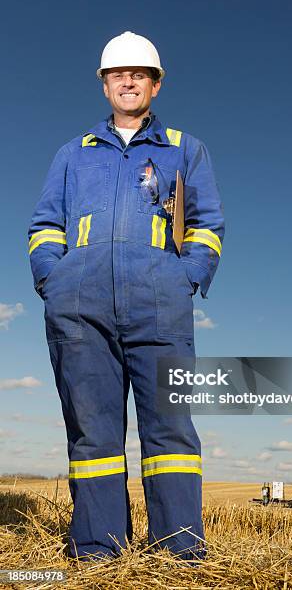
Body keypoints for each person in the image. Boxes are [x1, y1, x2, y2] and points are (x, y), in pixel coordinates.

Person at [28, 31, 225, 561]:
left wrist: (184, 278)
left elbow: (207, 224)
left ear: (156, 85)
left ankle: (178, 553)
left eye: (140, 73)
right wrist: (53, 279)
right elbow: (45, 225)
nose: (129, 80)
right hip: (78, 310)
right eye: (119, 73)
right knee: (93, 436)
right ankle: (98, 551)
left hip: (160, 308)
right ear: (105, 84)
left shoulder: (185, 148)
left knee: (172, 432)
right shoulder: (74, 154)